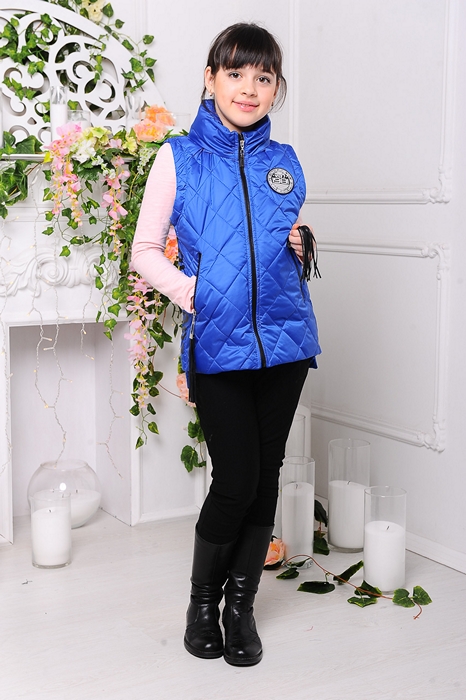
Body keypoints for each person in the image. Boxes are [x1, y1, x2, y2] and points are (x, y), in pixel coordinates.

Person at [132, 22, 321, 666]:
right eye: (235, 73)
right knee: (235, 481)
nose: (248, 88)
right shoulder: (178, 157)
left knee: (264, 481)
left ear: (277, 88)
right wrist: (196, 293)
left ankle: (240, 610)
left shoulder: (284, 161)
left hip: (287, 345)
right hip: (218, 344)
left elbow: (281, 245)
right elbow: (144, 251)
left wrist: (300, 243)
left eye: (263, 77)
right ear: (210, 79)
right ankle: (200, 605)